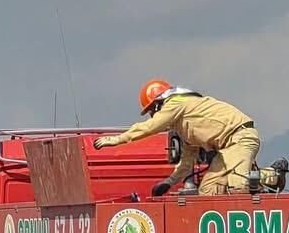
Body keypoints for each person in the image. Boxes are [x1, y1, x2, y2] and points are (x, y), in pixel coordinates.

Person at [92, 79, 262, 196]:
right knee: (208, 191)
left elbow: (150, 127)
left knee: (238, 185)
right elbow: (187, 162)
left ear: (159, 103)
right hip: (228, 149)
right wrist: (169, 182)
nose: (152, 116)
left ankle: (268, 176)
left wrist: (116, 140)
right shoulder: (184, 127)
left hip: (239, 137)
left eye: (152, 111)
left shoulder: (176, 104)